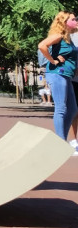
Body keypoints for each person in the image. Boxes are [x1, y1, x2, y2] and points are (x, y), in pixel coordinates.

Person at [38, 11, 78, 152]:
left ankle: (61, 140)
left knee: (73, 109)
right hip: (57, 75)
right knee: (61, 108)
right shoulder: (58, 35)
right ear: (65, 22)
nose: (76, 21)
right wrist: (52, 60)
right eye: (74, 19)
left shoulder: (68, 38)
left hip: (66, 76)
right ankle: (60, 142)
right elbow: (42, 45)